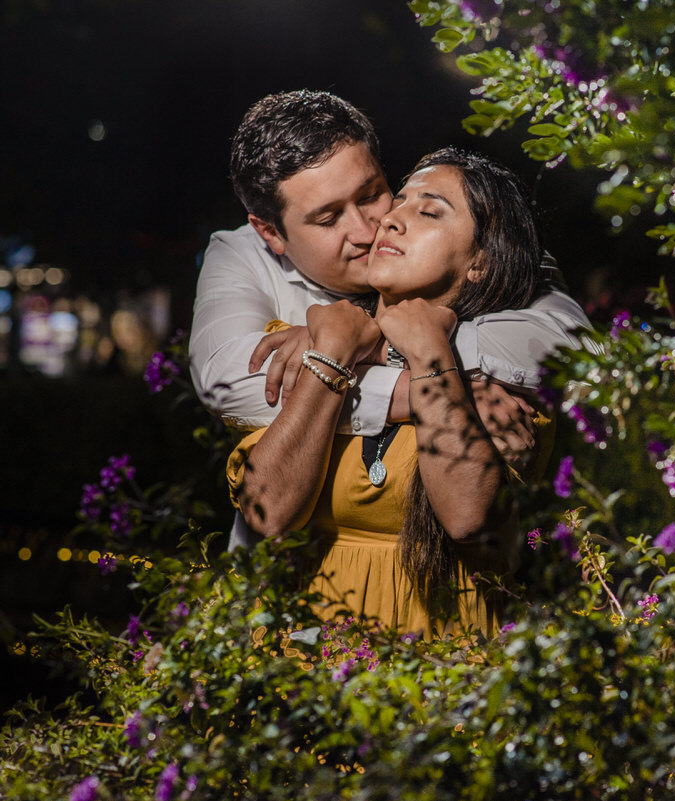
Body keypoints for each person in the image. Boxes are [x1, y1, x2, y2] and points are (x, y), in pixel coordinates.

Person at [189, 89, 591, 546]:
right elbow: (226, 378)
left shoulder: (483, 247)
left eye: (373, 194)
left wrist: (379, 345)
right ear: (270, 232)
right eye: (328, 219)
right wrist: (425, 389)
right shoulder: (242, 254)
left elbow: (580, 349)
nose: (367, 230)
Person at [227, 148, 554, 636]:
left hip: (435, 668)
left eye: (429, 211)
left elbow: (466, 517)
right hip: (301, 663)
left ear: (480, 262)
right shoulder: (304, 341)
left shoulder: (501, 383)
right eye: (398, 202)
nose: (391, 221)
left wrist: (430, 354)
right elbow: (267, 512)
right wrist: (333, 353)